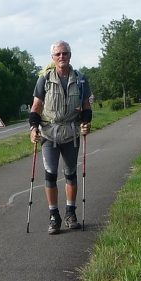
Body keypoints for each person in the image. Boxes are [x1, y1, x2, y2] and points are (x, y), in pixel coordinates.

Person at [29, 41, 92, 235]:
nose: (62, 57)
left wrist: (86, 123)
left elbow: (86, 107)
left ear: (70, 55)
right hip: (49, 134)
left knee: (71, 174)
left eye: (65, 53)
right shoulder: (44, 79)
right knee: (50, 175)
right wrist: (33, 128)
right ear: (53, 58)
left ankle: (70, 213)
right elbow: (36, 107)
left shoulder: (80, 79)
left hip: (71, 134)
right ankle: (53, 216)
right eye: (58, 54)